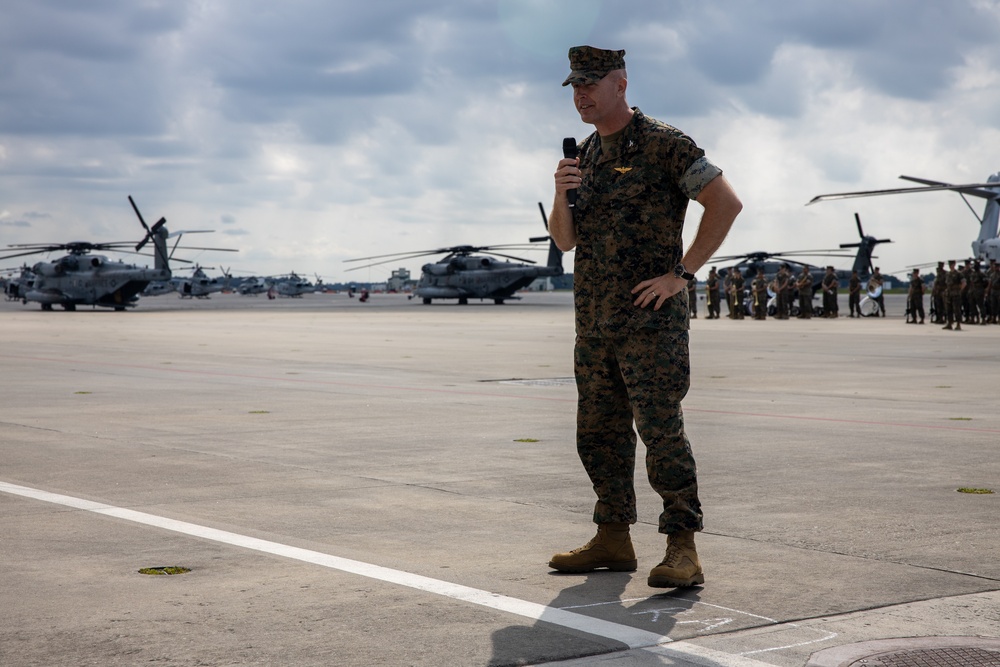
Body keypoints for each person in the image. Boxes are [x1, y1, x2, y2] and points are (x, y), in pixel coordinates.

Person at [547, 45, 742, 588]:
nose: (581, 94)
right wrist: (561, 191)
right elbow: (564, 240)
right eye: (575, 86)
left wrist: (681, 274)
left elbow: (725, 203)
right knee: (598, 433)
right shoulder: (583, 156)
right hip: (595, 323)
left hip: (650, 324)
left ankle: (683, 547)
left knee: (660, 431)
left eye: (591, 83)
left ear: (621, 84)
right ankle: (613, 536)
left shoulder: (665, 144)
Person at [943, 259, 965, 331]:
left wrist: (959, 290)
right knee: (948, 309)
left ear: (954, 264)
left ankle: (958, 324)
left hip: (956, 294)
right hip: (949, 294)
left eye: (952, 264)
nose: (950, 266)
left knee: (957, 309)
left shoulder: (959, 274)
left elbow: (964, 283)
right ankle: (950, 323)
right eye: (949, 264)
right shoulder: (948, 274)